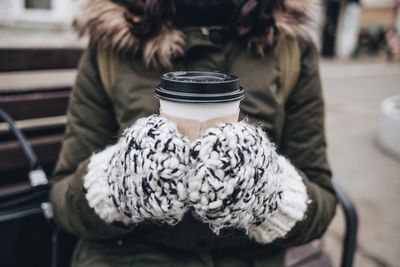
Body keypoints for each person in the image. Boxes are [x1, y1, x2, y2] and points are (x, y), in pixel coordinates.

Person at [50, 0, 337, 266]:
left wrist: (272, 193)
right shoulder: (112, 41)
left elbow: (322, 202)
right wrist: (115, 182)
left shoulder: (289, 45)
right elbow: (63, 200)